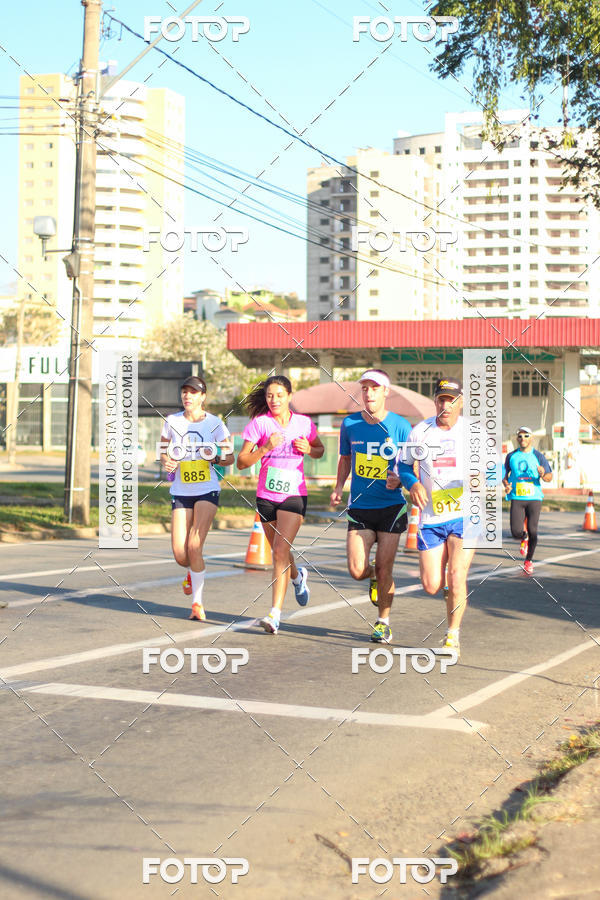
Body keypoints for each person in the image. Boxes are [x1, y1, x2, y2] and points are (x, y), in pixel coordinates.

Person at [330, 369, 417, 643]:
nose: (368, 393)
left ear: (385, 392)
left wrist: (400, 480)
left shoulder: (401, 426)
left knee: (384, 567)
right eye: (365, 388)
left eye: (374, 388)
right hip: (360, 507)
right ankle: (374, 579)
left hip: (391, 507)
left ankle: (383, 622)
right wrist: (337, 487)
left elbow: (411, 465)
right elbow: (345, 459)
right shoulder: (350, 424)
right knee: (357, 570)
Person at [237, 375, 324, 634]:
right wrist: (264, 448)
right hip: (266, 496)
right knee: (280, 552)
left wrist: (309, 448)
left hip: (294, 494)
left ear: (289, 395)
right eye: (269, 395)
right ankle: (297, 577)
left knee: (278, 551)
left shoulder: (304, 423)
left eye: (279, 395)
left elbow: (320, 450)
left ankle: (274, 614)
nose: (274, 400)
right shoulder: (259, 425)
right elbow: (241, 462)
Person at [406, 376, 475, 659]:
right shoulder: (420, 431)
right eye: (441, 399)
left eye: (451, 400)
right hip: (432, 518)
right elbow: (403, 465)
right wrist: (413, 483)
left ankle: (452, 636)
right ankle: (448, 588)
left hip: (465, 516)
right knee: (432, 585)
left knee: (457, 576)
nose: (445, 405)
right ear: (435, 401)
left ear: (460, 403)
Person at [160, 375, 234, 620]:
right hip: (181, 491)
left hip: (207, 489)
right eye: (184, 392)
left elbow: (229, 457)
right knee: (181, 555)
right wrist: (167, 461)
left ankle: (197, 604)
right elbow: (162, 450)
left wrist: (214, 458)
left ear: (203, 397)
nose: (187, 396)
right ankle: (191, 572)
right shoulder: (171, 421)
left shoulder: (214, 424)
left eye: (193, 392)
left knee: (194, 545)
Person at [503, 426, 552, 575]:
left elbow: (549, 477)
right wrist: (506, 485)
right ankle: (523, 538)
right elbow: (505, 476)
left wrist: (543, 474)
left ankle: (529, 561)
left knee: (533, 530)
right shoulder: (511, 456)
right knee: (516, 532)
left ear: (531, 438)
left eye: (526, 436)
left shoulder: (538, 456)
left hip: (534, 498)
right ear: (517, 439)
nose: (522, 439)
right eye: (520, 436)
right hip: (517, 497)